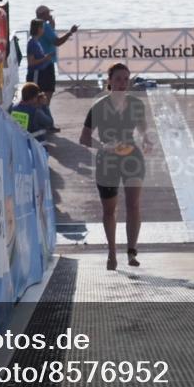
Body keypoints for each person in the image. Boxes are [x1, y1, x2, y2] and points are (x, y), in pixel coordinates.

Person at [79, 63, 153, 271]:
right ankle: (112, 252)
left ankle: (131, 251)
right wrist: (103, 146)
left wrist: (147, 139)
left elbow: (143, 127)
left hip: (132, 157)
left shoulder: (136, 104)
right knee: (109, 210)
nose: (122, 83)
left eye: (126, 79)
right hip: (107, 160)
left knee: (134, 205)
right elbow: (84, 138)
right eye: (118, 79)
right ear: (109, 81)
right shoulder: (99, 106)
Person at [35, 5, 78, 108]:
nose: (50, 15)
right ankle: (44, 116)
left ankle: (43, 115)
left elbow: (47, 38)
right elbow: (57, 42)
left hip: (40, 63)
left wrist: (52, 26)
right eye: (48, 13)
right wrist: (70, 32)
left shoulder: (38, 25)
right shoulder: (44, 25)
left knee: (41, 92)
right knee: (48, 92)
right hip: (46, 63)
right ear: (43, 14)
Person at [26, 19, 54, 90]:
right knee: (35, 95)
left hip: (41, 73)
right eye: (42, 27)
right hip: (35, 73)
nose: (43, 30)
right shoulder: (32, 43)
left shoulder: (36, 41)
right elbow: (31, 62)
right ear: (39, 29)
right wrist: (45, 58)